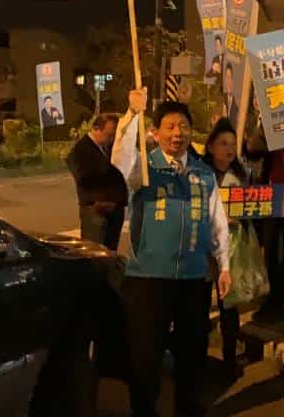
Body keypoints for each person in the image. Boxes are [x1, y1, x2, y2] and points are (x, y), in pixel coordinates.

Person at [111, 90, 231, 417]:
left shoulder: (203, 174)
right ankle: (143, 410)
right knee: (146, 354)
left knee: (192, 351)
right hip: (148, 279)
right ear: (155, 132)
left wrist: (224, 265)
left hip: (193, 278)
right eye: (170, 127)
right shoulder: (143, 168)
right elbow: (120, 162)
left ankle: (188, 407)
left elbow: (217, 222)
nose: (178, 133)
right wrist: (132, 115)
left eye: (183, 126)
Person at [202, 118, 255, 377]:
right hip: (202, 249)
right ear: (211, 147)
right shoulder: (199, 173)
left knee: (229, 306)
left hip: (230, 248)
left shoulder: (242, 175)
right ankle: (197, 359)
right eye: (223, 143)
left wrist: (240, 217)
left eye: (233, 144)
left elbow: (254, 206)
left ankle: (229, 359)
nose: (229, 149)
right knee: (200, 305)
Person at [66, 113, 127, 250]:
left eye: (114, 135)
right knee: (93, 250)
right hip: (96, 209)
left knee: (110, 252)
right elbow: (83, 178)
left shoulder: (109, 147)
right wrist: (101, 200)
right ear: (96, 129)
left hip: (114, 210)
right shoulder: (81, 149)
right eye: (109, 135)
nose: (112, 139)